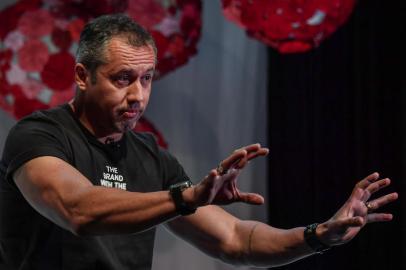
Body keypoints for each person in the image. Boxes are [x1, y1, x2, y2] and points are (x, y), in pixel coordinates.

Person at [0, 14, 398, 269]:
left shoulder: (151, 157)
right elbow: (78, 210)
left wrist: (318, 236)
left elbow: (236, 240)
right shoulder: (39, 136)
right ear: (83, 76)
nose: (137, 95)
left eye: (147, 78)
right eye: (122, 78)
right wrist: (186, 199)